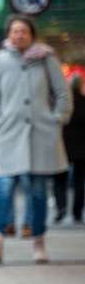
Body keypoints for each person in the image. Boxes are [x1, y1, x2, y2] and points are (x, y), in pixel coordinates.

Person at [0, 15, 72, 264]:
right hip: (9, 133)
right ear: (8, 34)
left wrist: (57, 119)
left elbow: (62, 93)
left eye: (23, 31)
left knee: (39, 190)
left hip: (41, 134)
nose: (19, 35)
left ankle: (38, 240)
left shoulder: (46, 59)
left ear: (32, 34)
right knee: (4, 186)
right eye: (15, 31)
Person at [62, 75, 85, 223]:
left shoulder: (65, 104)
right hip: (82, 149)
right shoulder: (83, 102)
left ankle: (61, 206)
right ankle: (77, 211)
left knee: (59, 178)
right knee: (79, 180)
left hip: (65, 147)